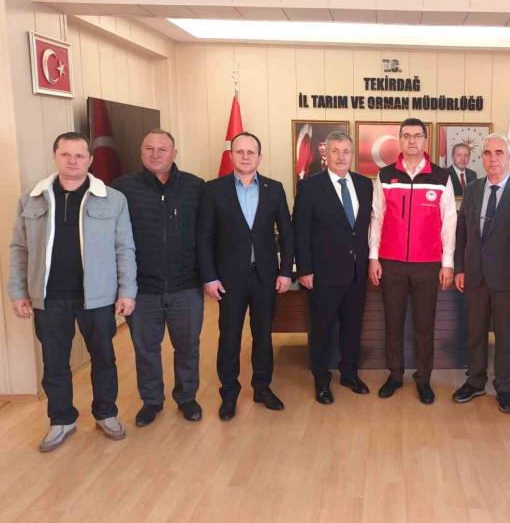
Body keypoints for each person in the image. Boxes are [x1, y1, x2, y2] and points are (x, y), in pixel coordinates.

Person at [8, 131, 137, 452]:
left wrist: (127, 290)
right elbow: (19, 249)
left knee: (104, 358)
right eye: (65, 155)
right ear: (55, 156)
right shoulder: (32, 199)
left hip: (98, 297)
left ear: (90, 160)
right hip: (49, 298)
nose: (72, 161)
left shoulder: (113, 199)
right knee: (54, 363)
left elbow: (124, 248)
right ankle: (61, 419)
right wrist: (18, 291)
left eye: (80, 156)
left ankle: (106, 413)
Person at [197, 131, 294, 421]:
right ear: (231, 156)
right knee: (229, 337)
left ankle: (262, 388)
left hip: (265, 277)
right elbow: (204, 237)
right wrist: (209, 277)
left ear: (259, 157)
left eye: (251, 152)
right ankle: (229, 395)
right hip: (228, 280)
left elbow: (287, 234)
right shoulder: (213, 190)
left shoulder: (274, 189)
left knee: (263, 336)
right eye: (239, 151)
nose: (245, 156)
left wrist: (286, 272)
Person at [111, 129, 205, 427]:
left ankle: (187, 397)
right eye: (149, 148)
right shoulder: (122, 189)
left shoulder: (195, 187)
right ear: (141, 152)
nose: (155, 154)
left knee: (187, 347)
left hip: (186, 286)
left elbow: (208, 235)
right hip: (142, 289)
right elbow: (113, 239)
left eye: (162, 149)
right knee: (146, 350)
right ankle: (151, 401)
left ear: (174, 153)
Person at [368, 117, 456, 404]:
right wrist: (373, 257)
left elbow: (449, 221)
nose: (412, 141)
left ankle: (424, 378)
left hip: (428, 264)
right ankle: (395, 375)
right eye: (406, 136)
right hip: (391, 262)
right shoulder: (385, 176)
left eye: (417, 136)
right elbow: (377, 217)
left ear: (425, 140)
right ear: (400, 140)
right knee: (392, 323)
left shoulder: (441, 177)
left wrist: (447, 262)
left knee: (424, 325)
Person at [452, 134, 510, 413]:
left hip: (508, 281)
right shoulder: (473, 189)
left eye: (499, 153)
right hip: (475, 277)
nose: (493, 159)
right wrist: (460, 268)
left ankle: (504, 387)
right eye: (488, 153)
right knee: (475, 333)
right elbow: (463, 232)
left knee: (505, 336)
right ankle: (475, 381)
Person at [293, 131, 373, 404]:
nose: (341, 157)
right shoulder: (309, 187)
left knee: (352, 327)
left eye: (346, 151)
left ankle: (349, 374)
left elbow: (366, 228)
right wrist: (304, 270)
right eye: (335, 151)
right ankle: (321, 380)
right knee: (322, 330)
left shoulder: (364, 184)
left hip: (356, 272)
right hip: (324, 274)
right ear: (325, 154)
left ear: (352, 155)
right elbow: (300, 232)